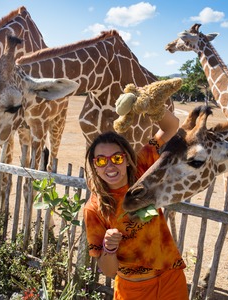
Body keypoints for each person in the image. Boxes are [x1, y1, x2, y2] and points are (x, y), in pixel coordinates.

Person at [83, 109, 188, 299]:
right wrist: (109, 247)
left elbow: (171, 126)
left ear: (126, 159)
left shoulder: (142, 168)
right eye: (101, 161)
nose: (110, 166)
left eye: (116, 158)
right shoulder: (94, 208)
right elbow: (108, 271)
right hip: (133, 290)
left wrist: (152, 102)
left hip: (171, 278)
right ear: (95, 166)